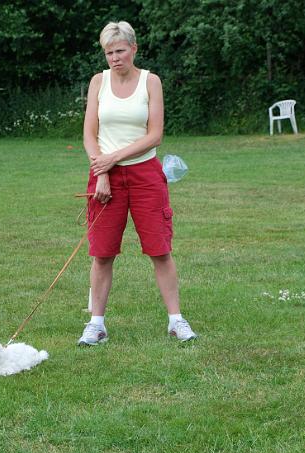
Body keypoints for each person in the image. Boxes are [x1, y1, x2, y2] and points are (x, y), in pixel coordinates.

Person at [78, 20, 197, 346]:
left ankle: (176, 321)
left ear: (134, 49)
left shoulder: (151, 82)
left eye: (120, 51)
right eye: (108, 52)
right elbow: (90, 134)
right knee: (102, 253)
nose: (115, 58)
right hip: (104, 176)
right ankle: (96, 325)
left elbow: (154, 134)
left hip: (145, 175)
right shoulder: (97, 83)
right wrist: (102, 172)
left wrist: (113, 158)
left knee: (160, 250)